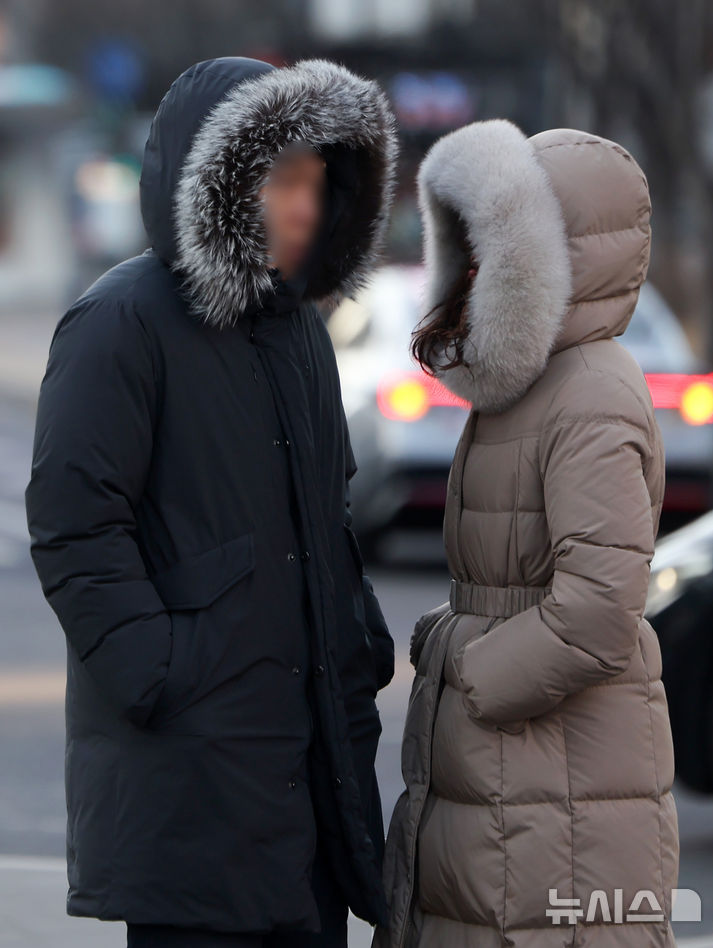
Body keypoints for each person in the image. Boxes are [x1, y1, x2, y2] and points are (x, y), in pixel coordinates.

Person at [24, 55, 399, 947]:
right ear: (223, 180)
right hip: (190, 792)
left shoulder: (303, 329)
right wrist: (160, 671)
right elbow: (75, 526)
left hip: (308, 793)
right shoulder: (121, 321)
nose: (306, 204)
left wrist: (356, 647)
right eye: (283, 179)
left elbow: (327, 524)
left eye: (317, 180)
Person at [372, 120, 680, 947]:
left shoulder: (591, 391)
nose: (472, 263)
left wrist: (474, 675)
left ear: (554, 253)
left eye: (495, 241)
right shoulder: (527, 382)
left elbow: (599, 609)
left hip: (553, 772)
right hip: (512, 774)